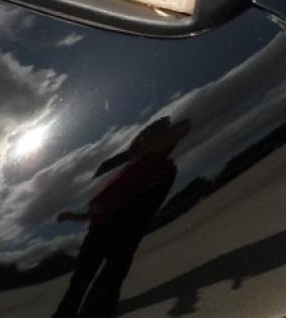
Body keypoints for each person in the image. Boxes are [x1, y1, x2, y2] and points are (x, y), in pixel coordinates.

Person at [53, 117, 191, 318]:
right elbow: (105, 204)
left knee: (110, 277)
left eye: (155, 136)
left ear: (170, 140)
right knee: (80, 281)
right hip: (99, 229)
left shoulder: (164, 170)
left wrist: (118, 228)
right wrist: (78, 216)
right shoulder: (126, 166)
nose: (145, 140)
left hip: (122, 234)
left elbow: (140, 210)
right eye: (145, 137)